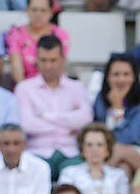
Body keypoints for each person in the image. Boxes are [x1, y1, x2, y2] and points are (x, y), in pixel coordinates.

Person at [14, 36, 92, 172]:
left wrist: (45, 116)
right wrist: (68, 125)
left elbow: (86, 119)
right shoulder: (24, 88)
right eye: (43, 60)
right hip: (37, 152)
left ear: (62, 60)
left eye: (53, 60)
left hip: (71, 152)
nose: (48, 66)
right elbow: (26, 124)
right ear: (36, 60)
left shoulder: (76, 87)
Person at [94, 52, 140, 176]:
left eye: (126, 74)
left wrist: (118, 109)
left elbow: (129, 138)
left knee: (117, 149)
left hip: (139, 152)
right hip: (109, 154)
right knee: (123, 169)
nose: (121, 80)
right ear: (108, 77)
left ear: (134, 77)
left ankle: (98, 183)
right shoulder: (101, 99)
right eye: (116, 74)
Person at [5, 0, 68, 84]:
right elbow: (17, 69)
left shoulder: (61, 35)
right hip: (25, 90)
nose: (38, 14)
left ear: (51, 12)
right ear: (27, 10)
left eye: (43, 10)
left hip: (54, 90)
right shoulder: (15, 33)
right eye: (34, 10)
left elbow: (58, 68)